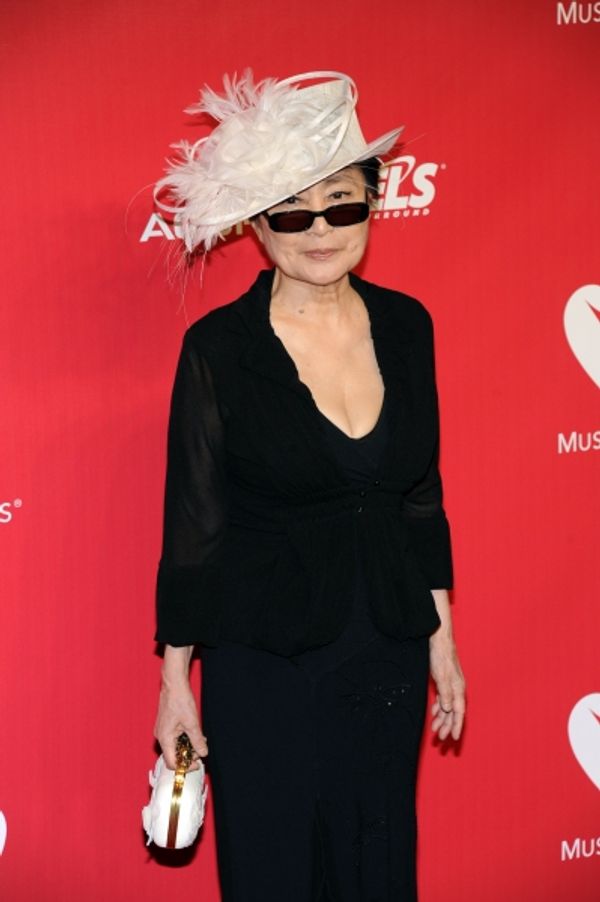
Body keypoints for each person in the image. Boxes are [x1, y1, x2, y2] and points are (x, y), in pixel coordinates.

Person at [152, 70, 466, 901]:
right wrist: (174, 686)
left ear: (373, 202)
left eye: (342, 202)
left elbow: (419, 497)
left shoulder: (408, 326)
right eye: (292, 210)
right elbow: (195, 530)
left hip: (385, 653)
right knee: (276, 868)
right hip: (265, 666)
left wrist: (441, 638)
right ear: (257, 225)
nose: (319, 229)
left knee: (377, 859)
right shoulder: (220, 349)